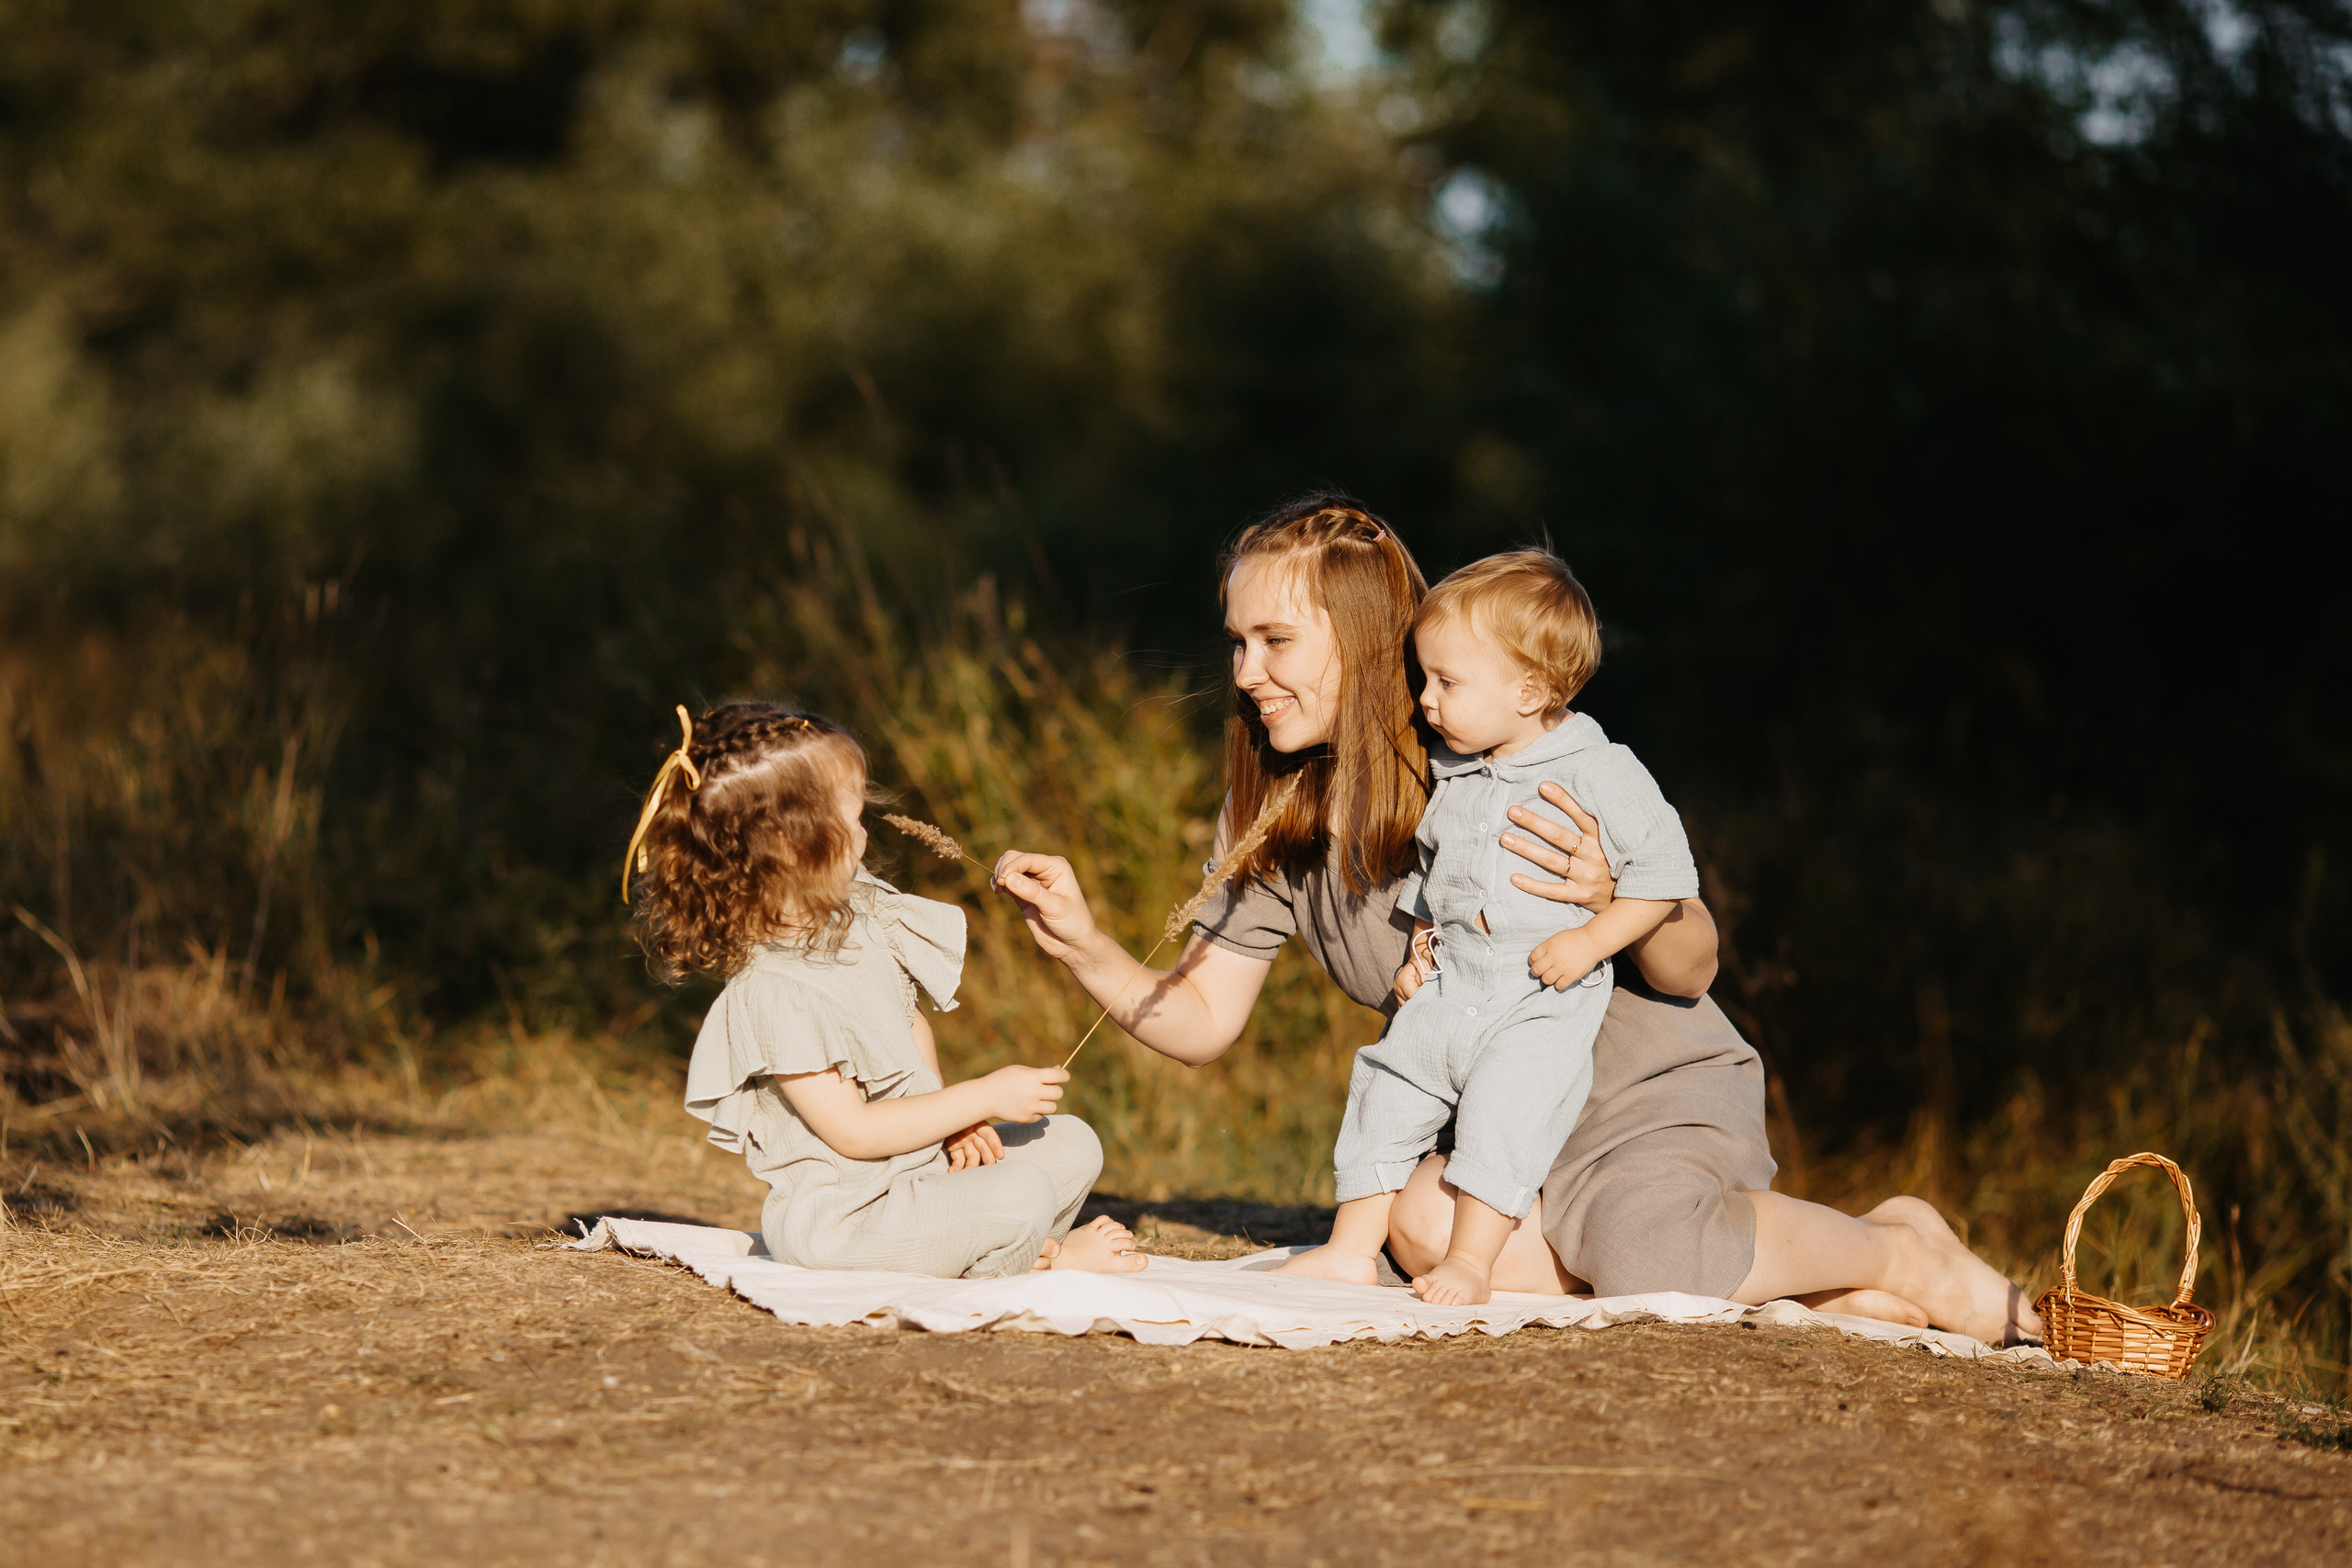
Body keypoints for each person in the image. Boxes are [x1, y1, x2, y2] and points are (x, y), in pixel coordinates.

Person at [992, 499, 2041, 1344]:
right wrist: (1086, 944)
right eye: (1235, 641)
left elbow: (1691, 968)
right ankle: (1814, 1283)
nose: (1243, 673)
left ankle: (1898, 1251)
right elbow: (1201, 1022)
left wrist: (1608, 899)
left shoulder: (1493, 750)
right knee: (1420, 1228)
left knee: (1643, 1256)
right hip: (1504, 1125)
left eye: (1275, 641)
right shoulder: (1272, 815)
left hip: (1641, 1095)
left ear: (1362, 641)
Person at [1279, 548, 1699, 1304]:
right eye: (1424, 678)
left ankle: (1471, 1261)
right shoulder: (1458, 771)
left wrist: (1592, 939)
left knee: (1505, 1115)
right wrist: (1419, 946)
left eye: (1447, 682)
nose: (1426, 700)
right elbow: (1437, 874)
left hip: (1538, 994)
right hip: (1454, 984)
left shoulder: (1599, 769)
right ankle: (1348, 1248)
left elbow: (1666, 876)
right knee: (1387, 1084)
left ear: (1529, 690)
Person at [625, 701, 1145, 1278]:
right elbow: (854, 1132)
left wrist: (955, 1122)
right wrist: (981, 1098)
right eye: (851, 819)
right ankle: (1046, 1262)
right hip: (849, 1221)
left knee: (1072, 1142)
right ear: (790, 844)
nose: (863, 831)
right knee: (1022, 1190)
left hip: (918, 1173)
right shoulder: (774, 990)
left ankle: (1001, 1244)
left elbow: (909, 1020)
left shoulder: (858, 916)